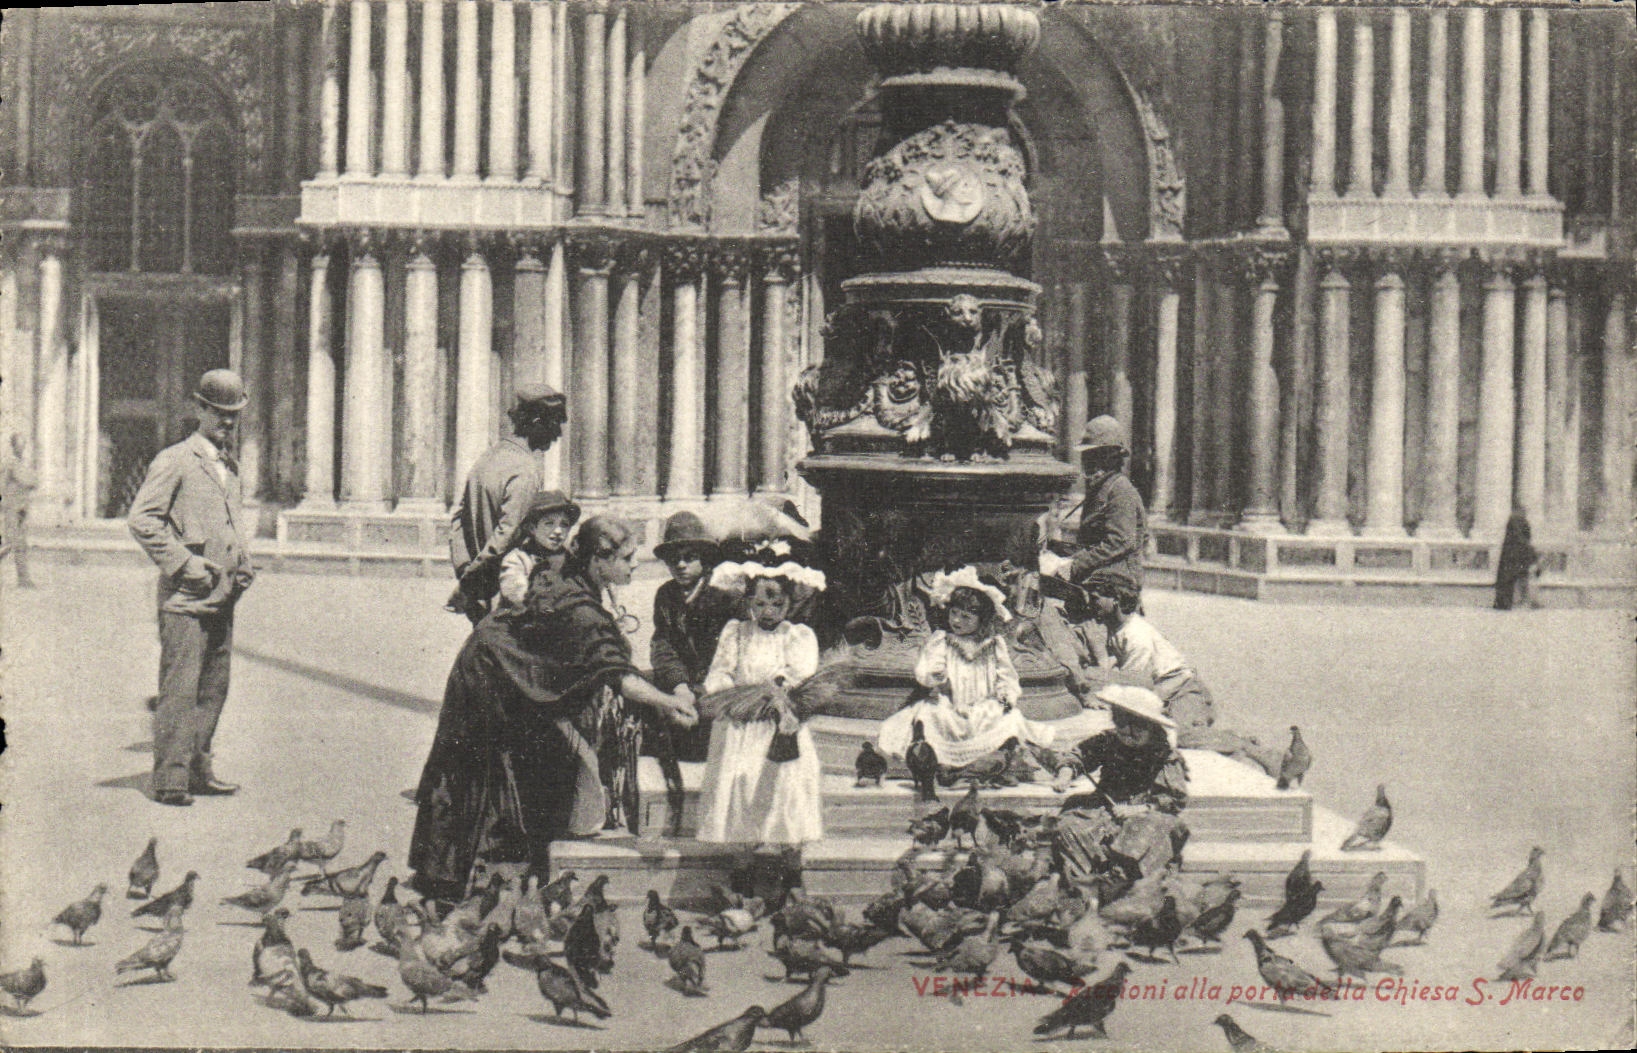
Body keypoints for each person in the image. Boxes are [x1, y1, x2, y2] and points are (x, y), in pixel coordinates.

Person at [409, 515, 697, 902]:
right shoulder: (580, 608)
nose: (635, 565)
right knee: (476, 767)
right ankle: (453, 881)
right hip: (491, 672)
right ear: (599, 560)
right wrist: (669, 701)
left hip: (499, 662)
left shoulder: (574, 577)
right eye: (627, 558)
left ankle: (489, 875)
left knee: (501, 767)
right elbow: (616, 675)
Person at [127, 369, 256, 806]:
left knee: (213, 689)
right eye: (218, 413)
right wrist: (184, 563)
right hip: (186, 596)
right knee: (180, 689)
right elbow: (143, 520)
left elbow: (227, 522)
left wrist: (243, 562)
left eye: (234, 415)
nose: (227, 423)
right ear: (199, 408)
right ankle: (170, 780)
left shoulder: (228, 465)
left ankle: (199, 770)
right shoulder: (176, 459)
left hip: (223, 594)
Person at [1074, 568, 1283, 777]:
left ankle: (1256, 751)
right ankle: (1235, 748)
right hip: (1167, 691)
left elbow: (1134, 691)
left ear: (1116, 599)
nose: (1091, 604)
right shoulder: (1118, 629)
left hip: (1185, 691)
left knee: (1182, 735)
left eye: (1096, 598)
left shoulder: (1136, 636)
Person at [695, 563, 827, 876]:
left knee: (784, 788)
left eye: (776, 604)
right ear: (749, 602)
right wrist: (724, 692)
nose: (768, 611)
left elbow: (798, 672)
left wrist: (776, 688)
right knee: (742, 786)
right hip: (743, 723)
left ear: (790, 603)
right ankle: (744, 867)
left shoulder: (797, 636)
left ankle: (790, 866)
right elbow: (721, 670)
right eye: (760, 604)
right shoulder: (737, 632)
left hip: (775, 723)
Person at [877, 566, 1056, 770]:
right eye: (954, 613)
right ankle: (941, 760)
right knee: (931, 715)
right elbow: (925, 671)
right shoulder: (942, 640)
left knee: (1008, 718)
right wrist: (935, 675)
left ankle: (995, 758)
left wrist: (1005, 695)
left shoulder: (993, 645)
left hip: (983, 705)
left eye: (966, 617)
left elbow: (1007, 677)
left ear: (981, 621)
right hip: (951, 704)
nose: (956, 621)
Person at [1050, 685, 1190, 899]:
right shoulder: (1108, 741)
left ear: (1151, 728)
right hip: (1105, 807)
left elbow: (1175, 799)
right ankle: (1087, 877)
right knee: (1069, 824)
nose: (1128, 733)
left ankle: (1124, 879)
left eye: (1137, 728)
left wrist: (1139, 809)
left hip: (1146, 812)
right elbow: (1078, 756)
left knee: (1149, 828)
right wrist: (1066, 774)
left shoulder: (1165, 755)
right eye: (1121, 724)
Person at [447, 384, 567, 624]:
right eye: (553, 425)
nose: (557, 435)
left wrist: (465, 572)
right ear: (535, 422)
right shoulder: (525, 469)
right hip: (507, 591)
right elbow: (508, 533)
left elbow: (458, 520)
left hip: (480, 589)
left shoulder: (488, 457)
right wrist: (470, 583)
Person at [494, 490, 579, 615]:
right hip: (521, 620)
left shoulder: (570, 559)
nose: (558, 531)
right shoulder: (518, 559)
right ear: (532, 528)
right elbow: (517, 595)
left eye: (564, 525)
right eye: (549, 524)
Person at [1, 433, 37, 588]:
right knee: (9, 543)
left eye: (23, 445)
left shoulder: (22, 463)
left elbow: (33, 481)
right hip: (12, 507)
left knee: (20, 544)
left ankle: (23, 579)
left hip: (22, 507)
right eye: (19, 445)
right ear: (13, 446)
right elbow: (28, 480)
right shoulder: (10, 463)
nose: (21, 448)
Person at [1495, 506, 1541, 610]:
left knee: (1509, 578)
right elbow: (1525, 537)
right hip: (1521, 553)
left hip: (1511, 554)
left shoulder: (1513, 521)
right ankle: (1528, 601)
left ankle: (1507, 602)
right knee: (1525, 577)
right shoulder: (1521, 521)